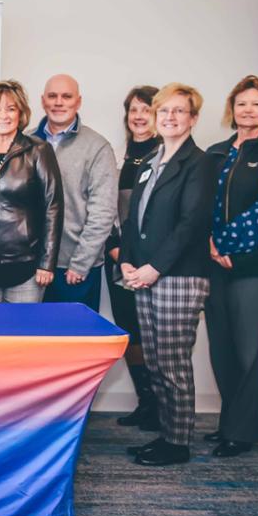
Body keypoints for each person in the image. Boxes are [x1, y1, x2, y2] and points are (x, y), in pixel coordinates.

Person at [120, 83, 217, 467]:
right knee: (156, 362)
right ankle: (165, 433)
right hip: (144, 275)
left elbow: (191, 223)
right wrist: (127, 262)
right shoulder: (150, 161)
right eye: (164, 111)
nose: (170, 117)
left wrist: (154, 268)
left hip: (178, 277)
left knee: (173, 364)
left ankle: (177, 443)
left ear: (193, 118)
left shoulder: (200, 163)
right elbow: (133, 219)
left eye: (179, 111)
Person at [203, 76, 258, 458]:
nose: (248, 110)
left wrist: (222, 242)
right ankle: (230, 422)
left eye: (256, 104)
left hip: (257, 263)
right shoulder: (216, 152)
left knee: (247, 349)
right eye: (242, 103)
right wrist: (210, 244)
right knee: (221, 347)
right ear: (232, 108)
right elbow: (201, 204)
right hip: (214, 261)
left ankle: (243, 432)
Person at [0, 80, 62, 303]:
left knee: (24, 326)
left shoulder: (38, 150)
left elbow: (53, 207)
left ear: (21, 113)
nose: (3, 116)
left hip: (27, 268)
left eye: (11, 109)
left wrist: (47, 263)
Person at [31, 74, 118, 311]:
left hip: (74, 268)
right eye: (52, 96)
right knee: (34, 333)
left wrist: (81, 263)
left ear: (78, 102)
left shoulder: (97, 147)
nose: (59, 102)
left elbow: (103, 211)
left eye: (66, 96)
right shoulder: (26, 141)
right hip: (32, 266)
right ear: (43, 101)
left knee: (76, 334)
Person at [106, 86, 162, 431]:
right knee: (132, 332)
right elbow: (105, 210)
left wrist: (147, 263)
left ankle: (163, 406)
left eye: (147, 110)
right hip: (120, 262)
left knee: (156, 336)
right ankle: (146, 402)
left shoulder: (167, 156)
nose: (139, 117)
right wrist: (116, 253)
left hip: (155, 266)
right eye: (134, 110)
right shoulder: (118, 157)